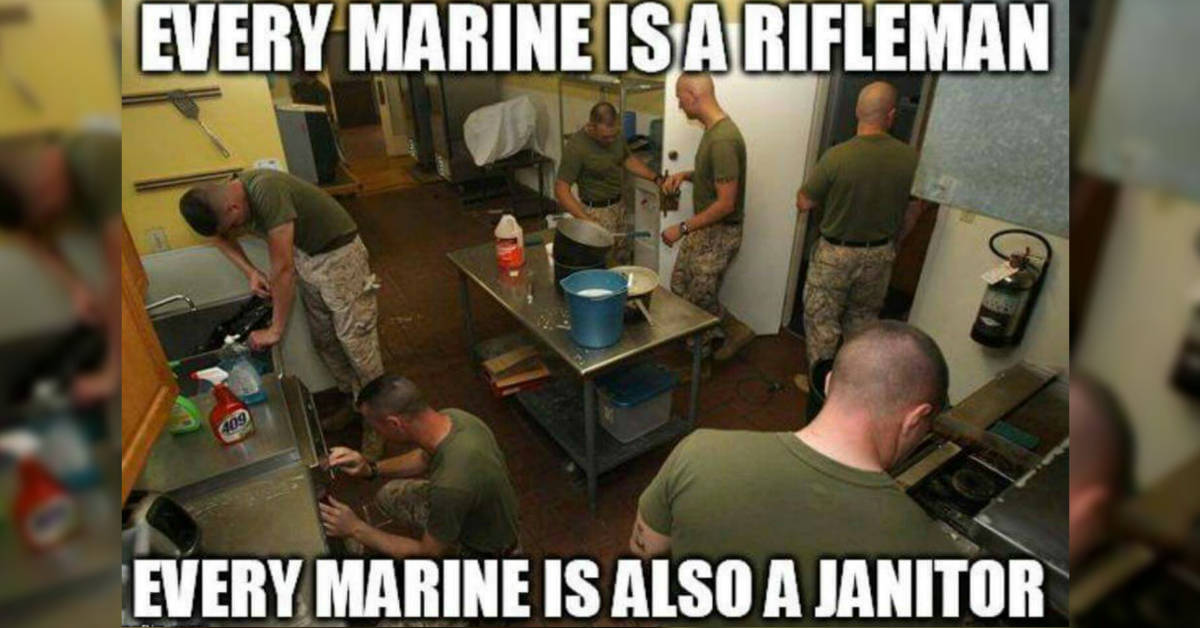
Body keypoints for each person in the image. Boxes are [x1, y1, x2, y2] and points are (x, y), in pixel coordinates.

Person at [630, 321, 960, 621]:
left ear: (828, 384)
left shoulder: (698, 451)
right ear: (916, 419)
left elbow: (645, 550)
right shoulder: (936, 561)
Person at [178, 169, 385, 458]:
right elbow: (218, 238)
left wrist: (275, 330)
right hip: (308, 257)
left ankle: (379, 419)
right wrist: (250, 271)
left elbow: (283, 269)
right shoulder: (226, 203)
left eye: (233, 224)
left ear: (233, 208)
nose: (235, 230)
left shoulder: (267, 190)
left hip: (340, 256)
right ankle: (356, 405)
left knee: (357, 346)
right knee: (325, 341)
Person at [317, 375, 520, 558]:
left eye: (374, 425)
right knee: (390, 495)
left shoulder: (450, 486)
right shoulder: (455, 418)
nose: (375, 432)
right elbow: (424, 457)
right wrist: (370, 469)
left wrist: (355, 528)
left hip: (488, 549)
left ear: (394, 424)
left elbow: (428, 552)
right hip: (483, 510)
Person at [796, 81, 924, 368]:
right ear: (891, 115)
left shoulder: (837, 156)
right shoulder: (911, 159)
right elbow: (914, 209)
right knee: (863, 323)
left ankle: (823, 384)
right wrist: (895, 242)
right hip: (879, 254)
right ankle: (854, 381)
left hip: (835, 255)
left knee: (822, 323)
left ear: (857, 111)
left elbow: (804, 202)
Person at [0, 129, 121, 404]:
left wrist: (112, 375)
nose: (54, 217)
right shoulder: (29, 186)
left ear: (44, 182)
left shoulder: (100, 158)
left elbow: (120, 277)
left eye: (48, 209)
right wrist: (76, 287)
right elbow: (32, 233)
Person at [659, 74, 754, 361]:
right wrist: (686, 175)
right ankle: (728, 331)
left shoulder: (723, 139)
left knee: (698, 300)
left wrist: (681, 228)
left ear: (693, 96)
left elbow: (726, 203)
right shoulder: (713, 131)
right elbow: (715, 177)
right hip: (706, 228)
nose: (679, 105)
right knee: (680, 286)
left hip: (720, 232)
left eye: (680, 98)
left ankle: (701, 360)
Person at [555, 101, 660, 264]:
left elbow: (627, 159)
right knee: (602, 261)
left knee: (623, 258)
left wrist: (655, 177)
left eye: (614, 135)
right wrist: (587, 221)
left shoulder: (616, 136)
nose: (611, 140)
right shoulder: (576, 147)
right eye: (605, 137)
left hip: (619, 206)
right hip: (596, 212)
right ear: (591, 126)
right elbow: (561, 190)